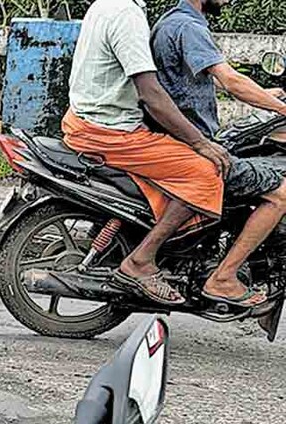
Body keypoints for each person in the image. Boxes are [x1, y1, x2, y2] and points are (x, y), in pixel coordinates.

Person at [63, 0, 232, 306]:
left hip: (88, 120)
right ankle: (141, 261)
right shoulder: (128, 16)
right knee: (207, 172)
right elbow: (150, 94)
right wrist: (201, 143)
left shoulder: (106, 5)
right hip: (113, 133)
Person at [151, 0, 286, 307]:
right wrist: (281, 107)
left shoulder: (174, 21)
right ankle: (223, 278)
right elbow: (231, 81)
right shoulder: (190, 27)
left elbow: (197, 82)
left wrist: (268, 95)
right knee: (281, 193)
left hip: (183, 138)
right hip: (191, 145)